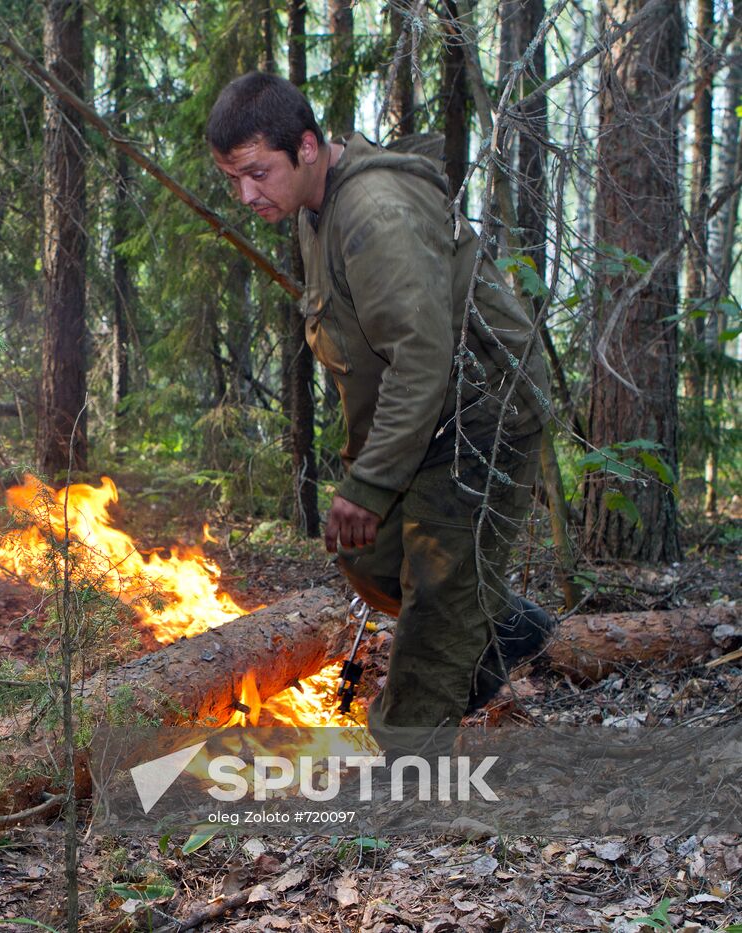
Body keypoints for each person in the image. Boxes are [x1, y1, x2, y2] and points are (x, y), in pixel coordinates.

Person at [207, 72, 556, 756]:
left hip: (479, 414)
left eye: (256, 173)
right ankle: (500, 626)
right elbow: (367, 354)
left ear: (307, 147)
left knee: (437, 590)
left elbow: (420, 358)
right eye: (233, 177)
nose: (246, 194)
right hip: (423, 415)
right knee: (367, 553)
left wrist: (370, 485)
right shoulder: (313, 208)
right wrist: (366, 479)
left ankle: (403, 768)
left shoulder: (373, 212)